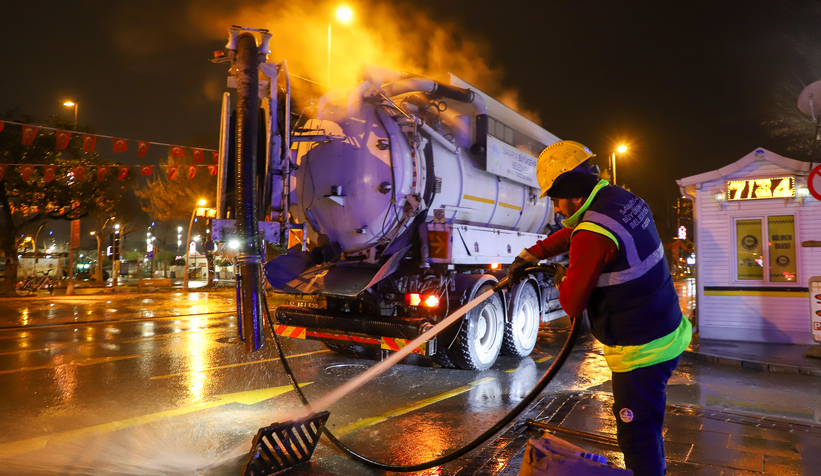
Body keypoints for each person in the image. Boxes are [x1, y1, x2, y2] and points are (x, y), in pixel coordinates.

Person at [507, 140, 691, 476]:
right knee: (646, 424)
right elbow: (573, 232)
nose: (557, 209)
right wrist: (531, 255)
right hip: (667, 327)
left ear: (574, 194)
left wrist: (563, 276)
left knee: (637, 435)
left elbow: (572, 303)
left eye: (556, 199)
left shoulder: (593, 235)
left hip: (642, 350)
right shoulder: (618, 198)